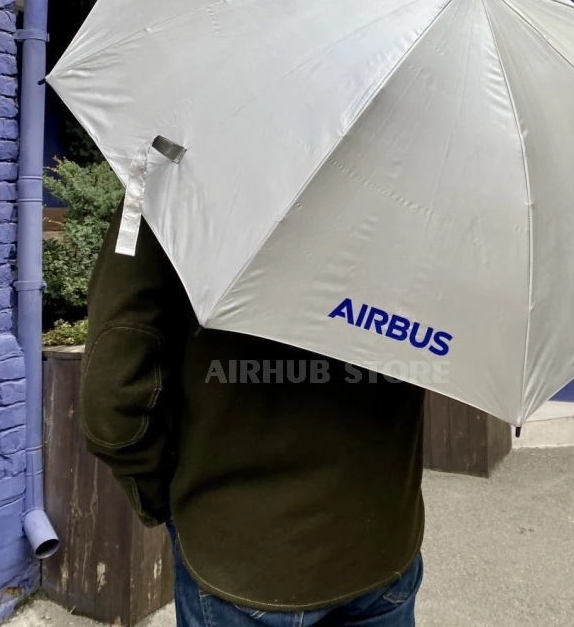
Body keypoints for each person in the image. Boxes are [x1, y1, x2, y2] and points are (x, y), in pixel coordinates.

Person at [81, 205, 426, 626]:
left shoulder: (178, 168)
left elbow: (113, 400)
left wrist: (165, 501)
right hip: (383, 543)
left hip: (239, 549)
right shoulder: (428, 183)